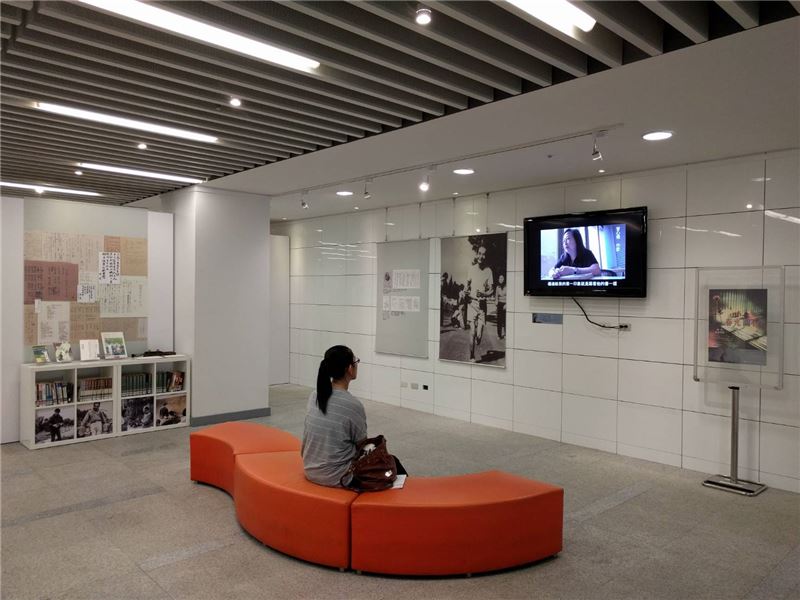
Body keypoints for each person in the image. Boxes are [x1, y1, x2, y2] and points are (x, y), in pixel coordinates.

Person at [302, 345, 405, 488]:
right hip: (338, 476)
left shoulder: (315, 396)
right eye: (356, 361)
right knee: (393, 463)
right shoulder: (352, 405)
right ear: (350, 369)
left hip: (310, 470)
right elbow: (361, 446)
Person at [466, 245, 494, 362]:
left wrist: (484, 293)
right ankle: (472, 356)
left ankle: (478, 338)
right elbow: (467, 286)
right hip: (472, 303)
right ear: (477, 254)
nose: (481, 256)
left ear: (485, 256)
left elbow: (491, 290)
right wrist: (465, 291)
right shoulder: (471, 269)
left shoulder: (488, 271)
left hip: (482, 305)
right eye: (479, 253)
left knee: (478, 336)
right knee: (472, 332)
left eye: (483, 254)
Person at [495, 273, 507, 340]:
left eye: (502, 278)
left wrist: (506, 304)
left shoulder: (507, 286)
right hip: (499, 304)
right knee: (499, 320)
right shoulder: (497, 287)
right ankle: (499, 335)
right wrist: (496, 303)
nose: (501, 279)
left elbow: (509, 296)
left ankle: (505, 334)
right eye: (500, 278)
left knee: (505, 320)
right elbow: (496, 297)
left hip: (505, 304)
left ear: (504, 279)